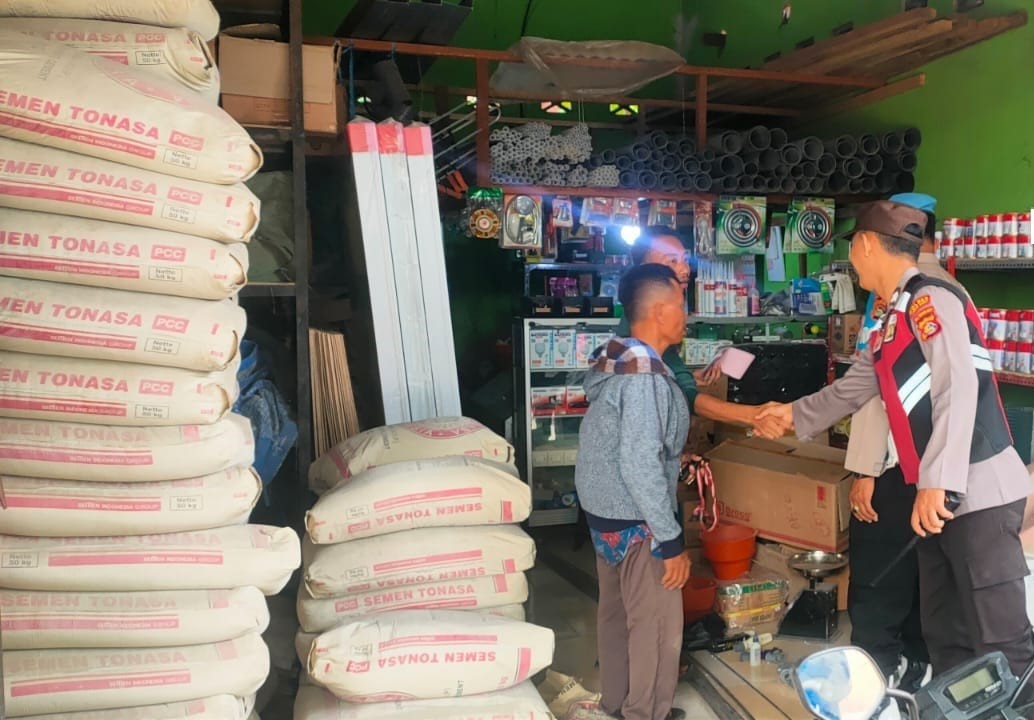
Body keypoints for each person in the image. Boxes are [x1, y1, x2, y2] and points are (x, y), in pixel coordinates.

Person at [758, 200, 1034, 680]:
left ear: (866, 244)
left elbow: (958, 383)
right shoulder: (892, 318)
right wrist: (788, 415)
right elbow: (853, 388)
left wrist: (935, 481)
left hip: (975, 496)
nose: (855, 261)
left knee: (999, 638)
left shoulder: (933, 300)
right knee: (944, 631)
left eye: (854, 251)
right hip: (940, 502)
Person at [844, 193, 963, 691]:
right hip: (934, 473)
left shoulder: (900, 296)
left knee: (876, 579)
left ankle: (875, 679)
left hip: (897, 469)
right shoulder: (951, 289)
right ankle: (915, 669)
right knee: (922, 578)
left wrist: (865, 469)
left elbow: (877, 395)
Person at [575, 263, 691, 720]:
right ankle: (646, 713)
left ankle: (617, 704)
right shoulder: (643, 376)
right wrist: (671, 539)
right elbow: (640, 461)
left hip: (604, 511)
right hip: (638, 517)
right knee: (658, 625)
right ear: (660, 312)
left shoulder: (618, 361)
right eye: (681, 306)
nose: (686, 316)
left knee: (617, 616)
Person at [622, 226, 783, 436]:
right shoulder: (638, 339)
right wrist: (755, 416)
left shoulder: (651, 339)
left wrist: (683, 375)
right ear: (646, 270)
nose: (684, 269)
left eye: (684, 259)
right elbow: (688, 399)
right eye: (672, 261)